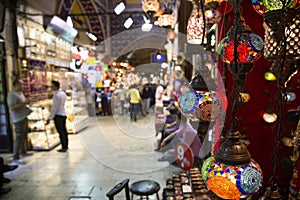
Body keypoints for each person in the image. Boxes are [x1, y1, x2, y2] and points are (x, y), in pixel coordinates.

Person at [7, 79, 33, 165]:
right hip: (18, 119)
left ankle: (23, 151)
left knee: (24, 135)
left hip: (23, 116)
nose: (23, 86)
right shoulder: (12, 95)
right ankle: (16, 156)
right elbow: (12, 107)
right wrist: (24, 103)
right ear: (16, 85)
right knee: (18, 137)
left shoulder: (20, 94)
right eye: (21, 85)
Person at [46, 81, 68, 152]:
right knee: (64, 131)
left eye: (52, 86)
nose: (51, 88)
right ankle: (65, 145)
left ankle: (63, 147)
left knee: (61, 131)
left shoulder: (56, 95)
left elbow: (54, 108)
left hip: (58, 115)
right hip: (63, 114)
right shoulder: (63, 93)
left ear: (55, 87)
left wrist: (49, 118)